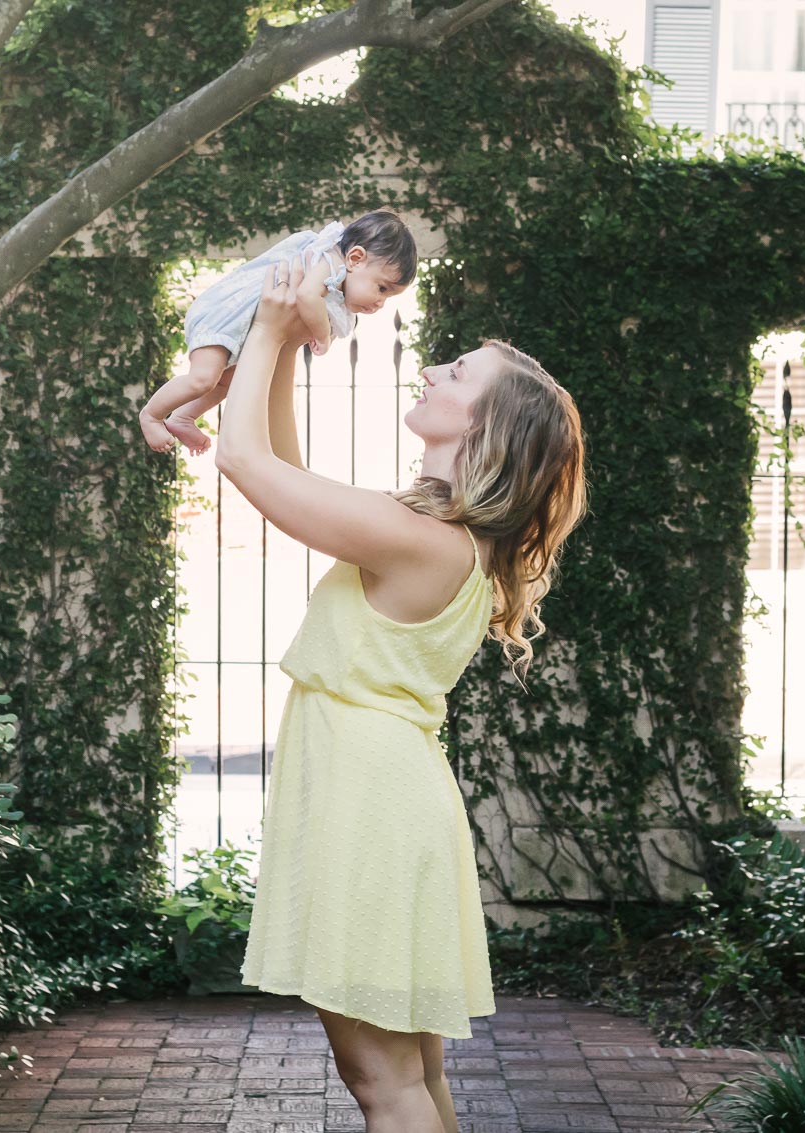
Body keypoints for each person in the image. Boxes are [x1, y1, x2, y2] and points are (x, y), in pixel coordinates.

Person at [214, 252, 589, 1133]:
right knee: (412, 1080)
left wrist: (268, 330)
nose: (430, 367)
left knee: (384, 1082)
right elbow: (282, 470)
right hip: (388, 796)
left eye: (456, 371)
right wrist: (290, 348)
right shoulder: (438, 536)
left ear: (485, 424)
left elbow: (239, 458)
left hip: (370, 804)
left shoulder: (424, 541)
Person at [139, 208, 416, 455]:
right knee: (203, 378)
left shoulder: (336, 274)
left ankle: (182, 417)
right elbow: (307, 296)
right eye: (381, 288)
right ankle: (152, 415)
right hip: (225, 316)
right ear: (355, 258)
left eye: (389, 297)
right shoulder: (330, 261)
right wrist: (322, 337)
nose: (380, 302)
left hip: (239, 325)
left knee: (226, 383)